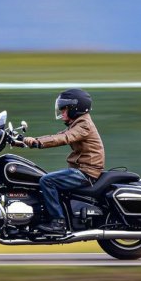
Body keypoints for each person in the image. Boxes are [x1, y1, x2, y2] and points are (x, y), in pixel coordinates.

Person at [23, 88, 105, 234]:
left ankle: (58, 223)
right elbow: (58, 135)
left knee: (47, 181)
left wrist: (37, 142)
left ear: (75, 108)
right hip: (81, 170)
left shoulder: (84, 124)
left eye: (64, 109)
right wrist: (21, 142)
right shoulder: (79, 123)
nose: (62, 113)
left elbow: (64, 138)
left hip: (86, 172)